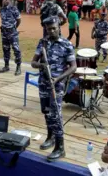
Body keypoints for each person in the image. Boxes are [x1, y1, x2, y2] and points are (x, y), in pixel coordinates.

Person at [30, 16, 77, 161]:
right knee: (46, 111)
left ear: (59, 27)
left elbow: (73, 67)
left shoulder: (66, 44)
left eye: (53, 28)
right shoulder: (43, 42)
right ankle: (50, 137)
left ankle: (60, 147)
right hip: (44, 82)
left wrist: (58, 78)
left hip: (57, 84)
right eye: (48, 29)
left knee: (56, 114)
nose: (51, 31)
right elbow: (33, 62)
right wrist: (42, 65)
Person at [0, 0, 22, 76]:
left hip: (12, 32)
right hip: (4, 32)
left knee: (16, 50)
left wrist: (14, 28)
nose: (4, 1)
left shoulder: (14, 9)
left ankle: (18, 67)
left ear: (9, 0)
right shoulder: (1, 9)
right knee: (5, 49)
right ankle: (6, 66)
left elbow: (19, 20)